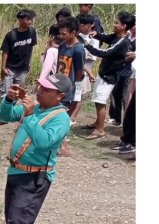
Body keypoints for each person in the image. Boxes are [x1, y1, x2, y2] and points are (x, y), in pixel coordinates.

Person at [0, 72, 72, 224]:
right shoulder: (35, 107)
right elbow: (5, 116)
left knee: (19, 219)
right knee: (16, 215)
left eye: (46, 89)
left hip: (35, 176)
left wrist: (28, 117)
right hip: (16, 170)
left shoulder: (61, 118)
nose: (39, 90)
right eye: (40, 86)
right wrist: (9, 100)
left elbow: (44, 142)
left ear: (60, 96)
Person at [82, 11, 136, 137]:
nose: (114, 24)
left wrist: (87, 45)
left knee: (100, 101)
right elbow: (106, 38)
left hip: (109, 76)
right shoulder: (116, 36)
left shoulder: (122, 42)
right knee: (97, 99)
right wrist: (97, 35)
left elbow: (105, 53)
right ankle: (97, 122)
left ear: (124, 26)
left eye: (117, 23)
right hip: (104, 72)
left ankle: (100, 129)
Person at [0, 9, 38, 122]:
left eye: (31, 19)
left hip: (23, 68)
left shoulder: (32, 32)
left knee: (17, 92)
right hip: (10, 67)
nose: (30, 22)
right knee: (6, 91)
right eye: (27, 19)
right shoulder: (11, 35)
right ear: (20, 20)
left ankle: (11, 113)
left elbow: (30, 48)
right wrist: (3, 67)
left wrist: (29, 62)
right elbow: (5, 52)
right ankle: (3, 115)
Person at [54, 17, 85, 155]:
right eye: (60, 33)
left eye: (64, 33)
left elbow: (79, 71)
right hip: (57, 85)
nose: (61, 36)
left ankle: (63, 147)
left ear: (74, 32)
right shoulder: (62, 46)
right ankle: (62, 145)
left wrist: (70, 85)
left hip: (66, 89)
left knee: (58, 116)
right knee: (56, 115)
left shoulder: (78, 49)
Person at [73, 13, 100, 125]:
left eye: (84, 25)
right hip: (72, 70)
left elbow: (92, 56)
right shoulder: (75, 36)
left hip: (83, 71)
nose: (81, 27)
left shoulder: (94, 39)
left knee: (78, 96)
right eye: (80, 25)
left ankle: (72, 117)